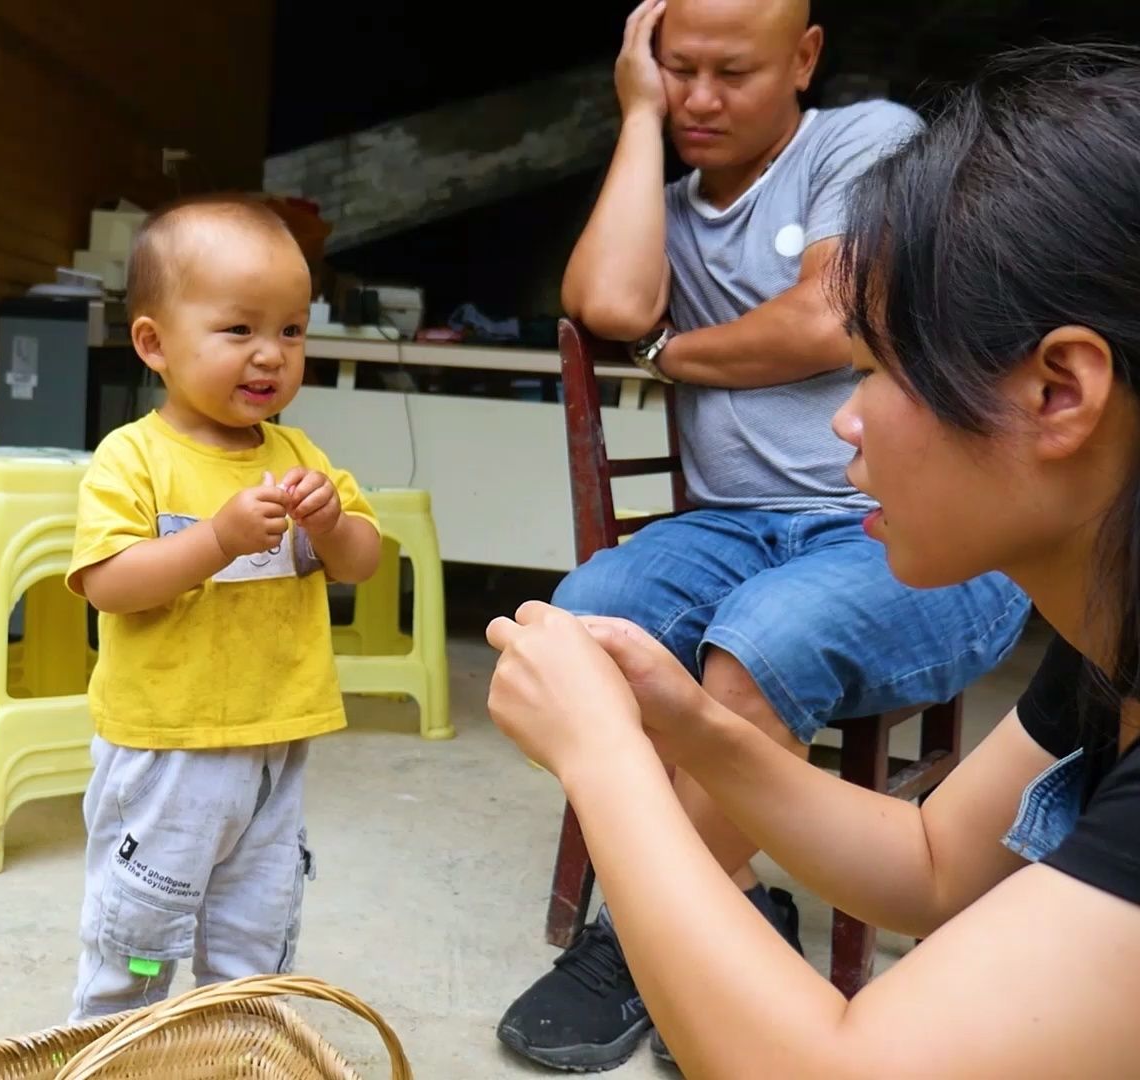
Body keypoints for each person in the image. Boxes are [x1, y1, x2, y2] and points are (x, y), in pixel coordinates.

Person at [488, 41, 1140, 1078]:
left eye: (878, 368)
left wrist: (607, 762)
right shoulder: (1111, 649)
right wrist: (690, 726)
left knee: (764, 638)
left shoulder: (862, 145)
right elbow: (927, 865)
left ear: (1059, 393)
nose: (844, 421)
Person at [62, 194, 383, 1021]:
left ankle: (231, 1049)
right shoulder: (133, 458)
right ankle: (115, 1048)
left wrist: (331, 523)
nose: (269, 355)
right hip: (167, 756)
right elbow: (109, 582)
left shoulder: (300, 457)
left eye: (291, 330)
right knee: (138, 938)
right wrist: (215, 541)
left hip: (273, 747)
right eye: (239, 330)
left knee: (254, 942)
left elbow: (363, 562)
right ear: (153, 343)